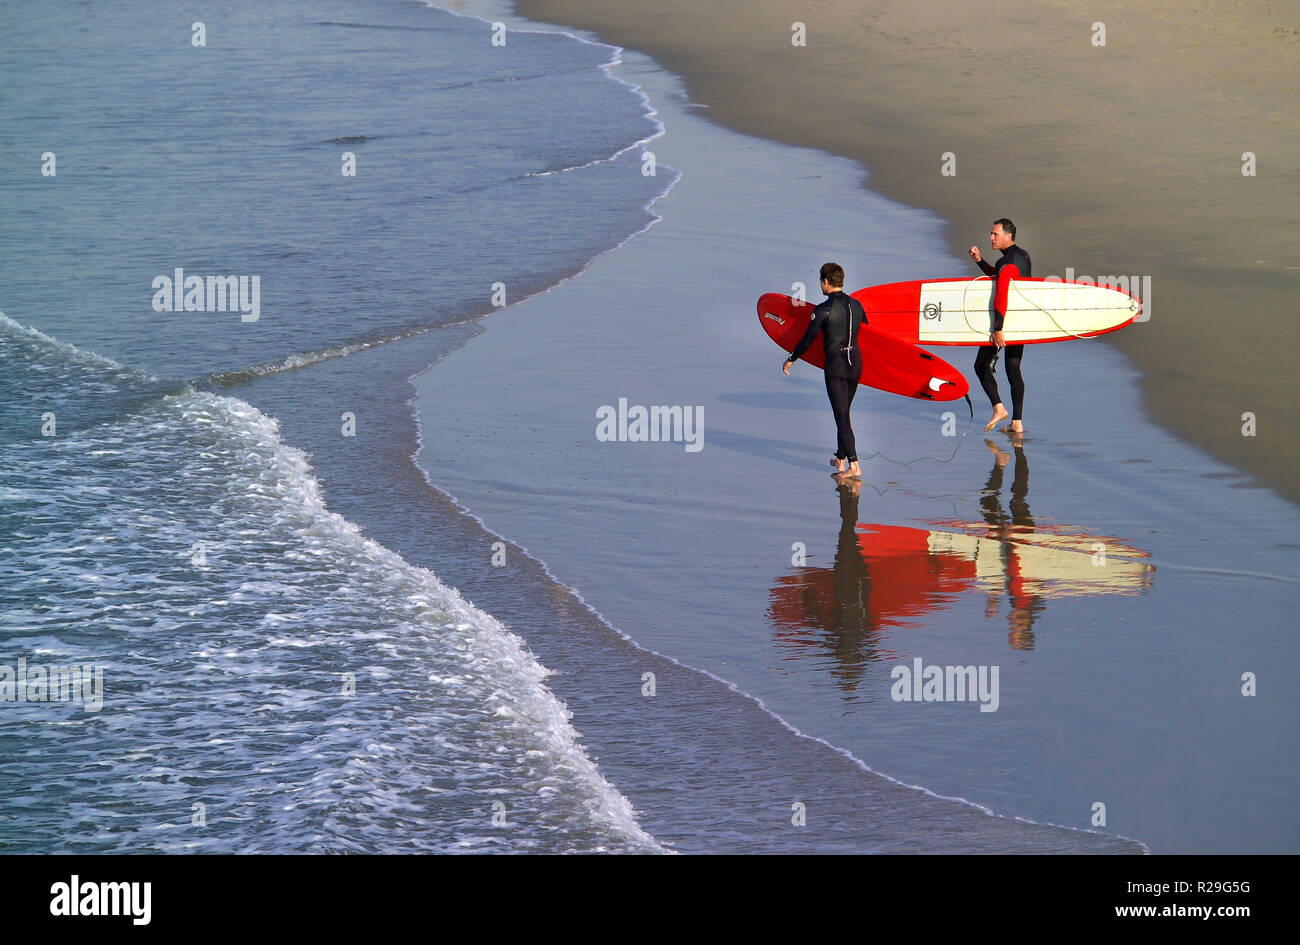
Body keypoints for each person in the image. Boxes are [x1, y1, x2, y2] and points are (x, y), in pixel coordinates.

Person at [783, 262, 868, 478]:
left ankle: (854, 465)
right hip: (855, 366)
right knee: (844, 414)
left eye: (821, 281)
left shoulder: (823, 309)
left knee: (841, 418)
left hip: (836, 368)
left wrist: (792, 358)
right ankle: (840, 458)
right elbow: (868, 331)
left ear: (826, 282)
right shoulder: (857, 305)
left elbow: (807, 339)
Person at [968, 218, 1031, 433]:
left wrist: (998, 328)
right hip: (1021, 322)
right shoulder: (1022, 257)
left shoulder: (1006, 263)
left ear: (1008, 235)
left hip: (1003, 323)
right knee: (1013, 369)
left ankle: (998, 408)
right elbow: (1000, 278)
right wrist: (980, 260)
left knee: (980, 366)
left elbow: (1001, 294)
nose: (991, 238)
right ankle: (1017, 422)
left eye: (995, 234)